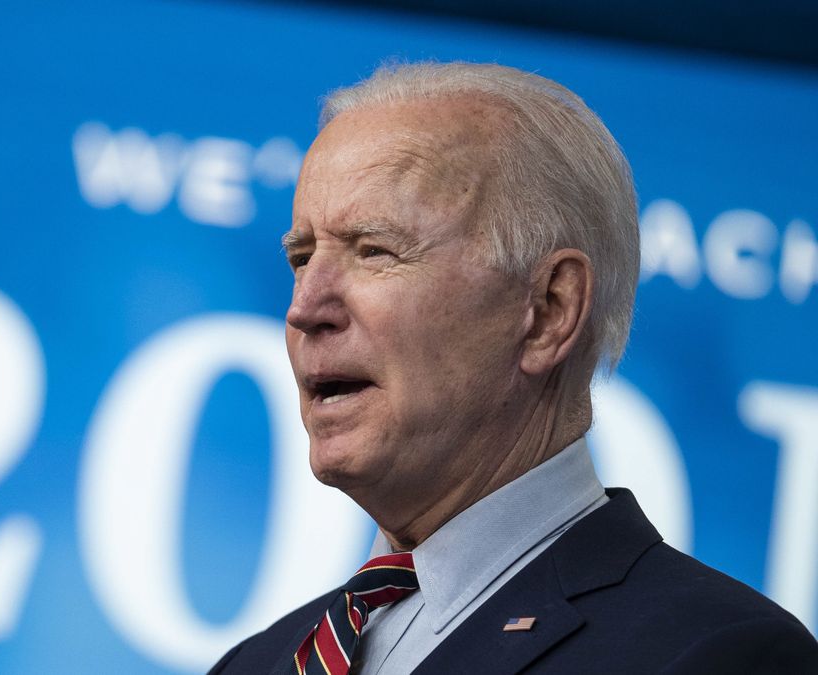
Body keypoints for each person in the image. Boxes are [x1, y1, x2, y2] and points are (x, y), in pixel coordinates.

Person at [207, 62, 818, 674]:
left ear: (549, 310)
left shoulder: (720, 655)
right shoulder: (254, 664)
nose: (304, 309)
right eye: (302, 258)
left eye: (374, 252)